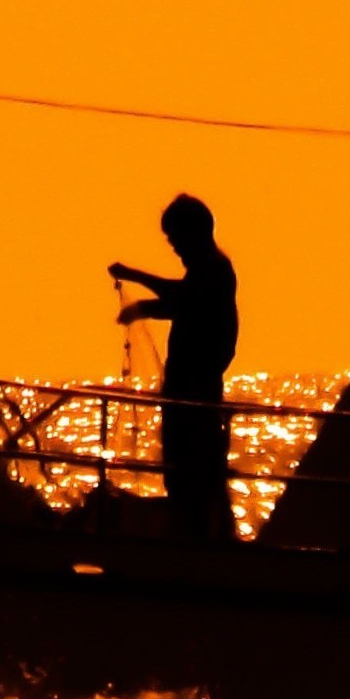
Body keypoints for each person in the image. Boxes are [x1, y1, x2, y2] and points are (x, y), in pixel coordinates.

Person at [111, 193, 238, 537]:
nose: (175, 247)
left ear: (196, 232)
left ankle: (205, 535)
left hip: (197, 391)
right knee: (182, 469)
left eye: (176, 238)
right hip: (184, 389)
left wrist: (134, 278)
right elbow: (182, 303)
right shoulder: (204, 273)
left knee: (197, 469)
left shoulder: (215, 270)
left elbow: (184, 299)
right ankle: (196, 530)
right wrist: (142, 309)